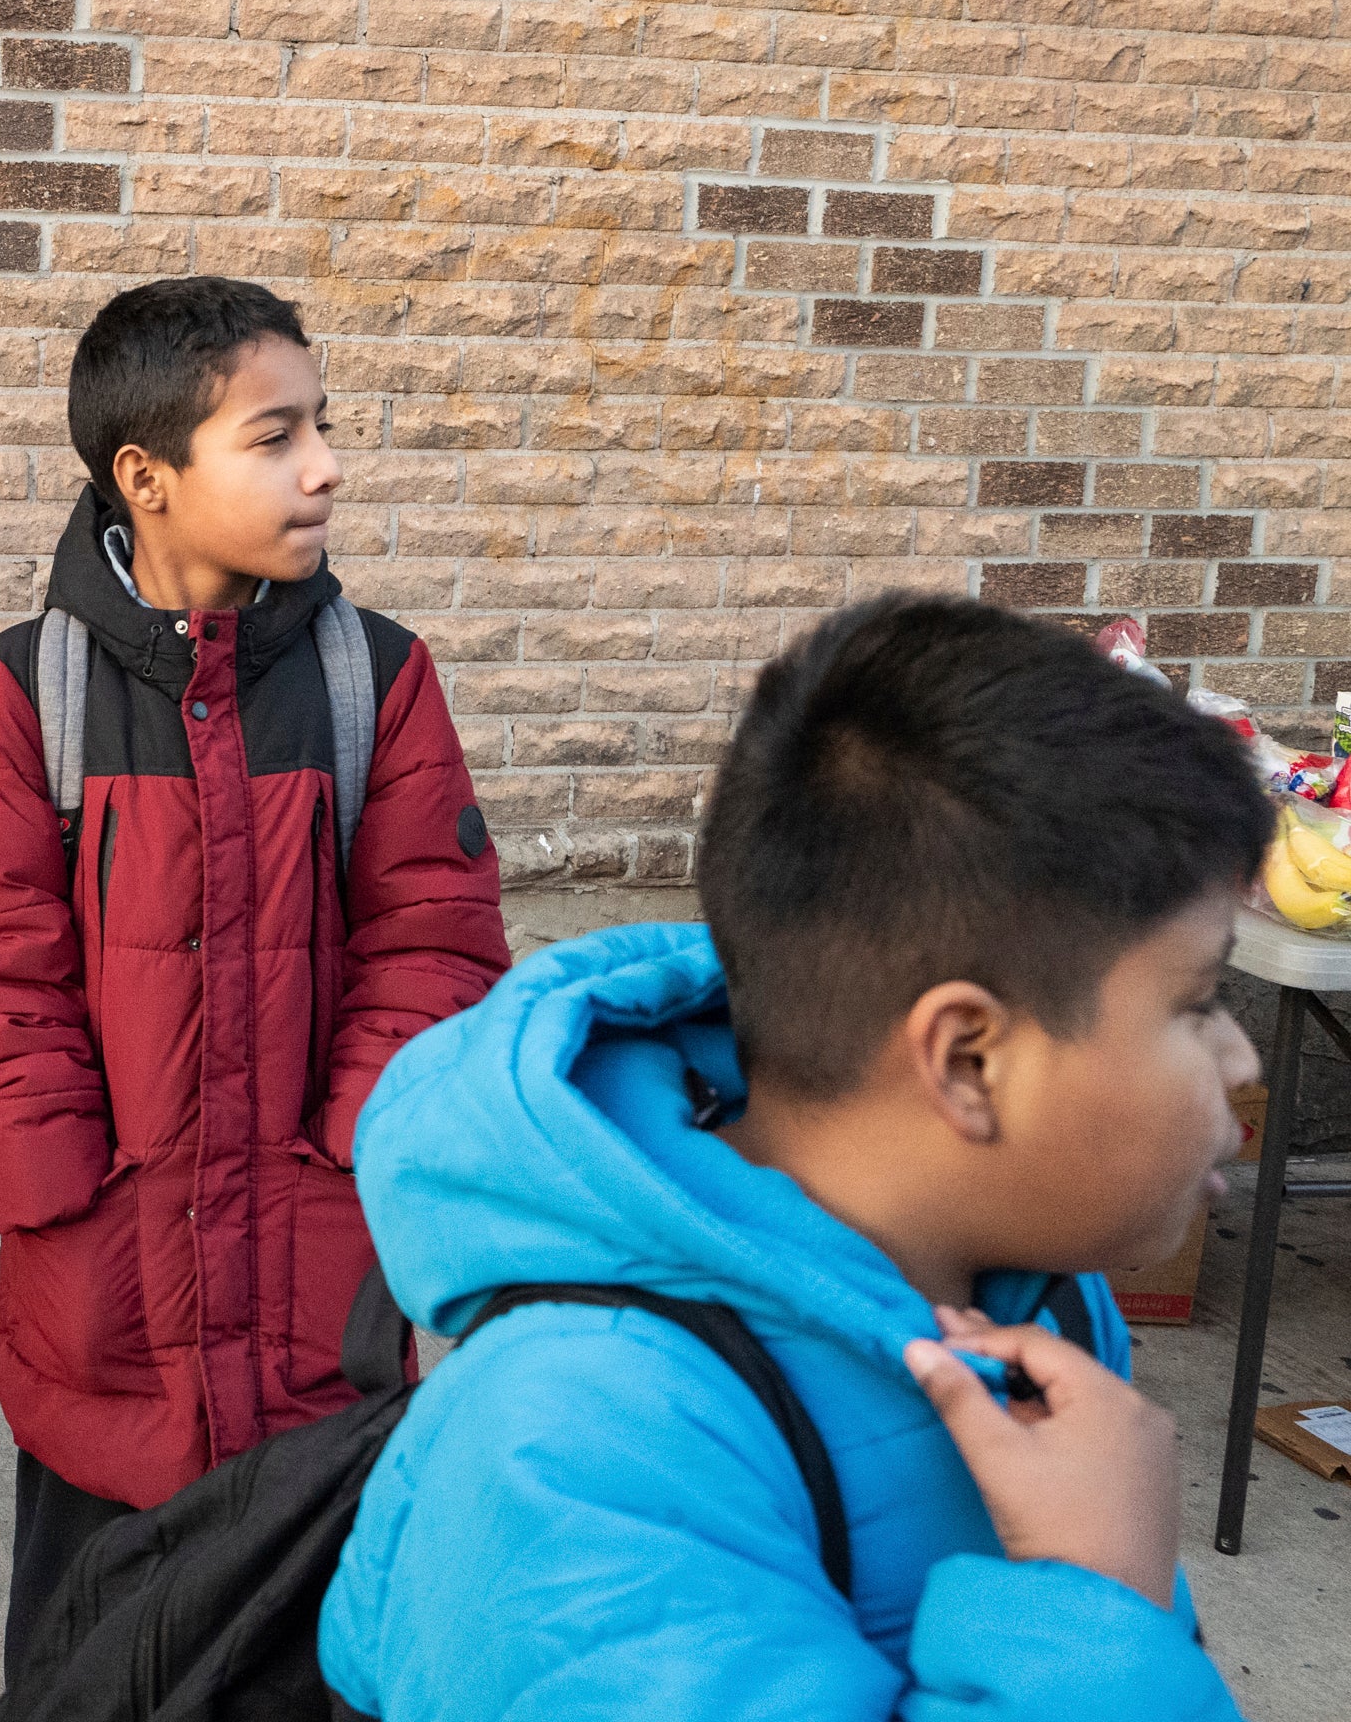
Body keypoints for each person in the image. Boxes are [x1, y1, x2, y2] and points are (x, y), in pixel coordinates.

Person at [318, 594, 1265, 1720]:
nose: (1245, 1057)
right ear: (967, 1059)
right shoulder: (572, 1451)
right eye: (1199, 1000)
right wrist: (1093, 1607)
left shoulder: (1036, 1295)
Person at [0, 276, 511, 1680]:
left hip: (319, 1284)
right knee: (93, 1658)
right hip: (109, 1290)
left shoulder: (378, 682)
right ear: (148, 477)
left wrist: (349, 1151)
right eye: (276, 436)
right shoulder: (25, 694)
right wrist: (61, 1181)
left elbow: (435, 939)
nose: (326, 467)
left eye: (324, 427)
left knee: (301, 1661)